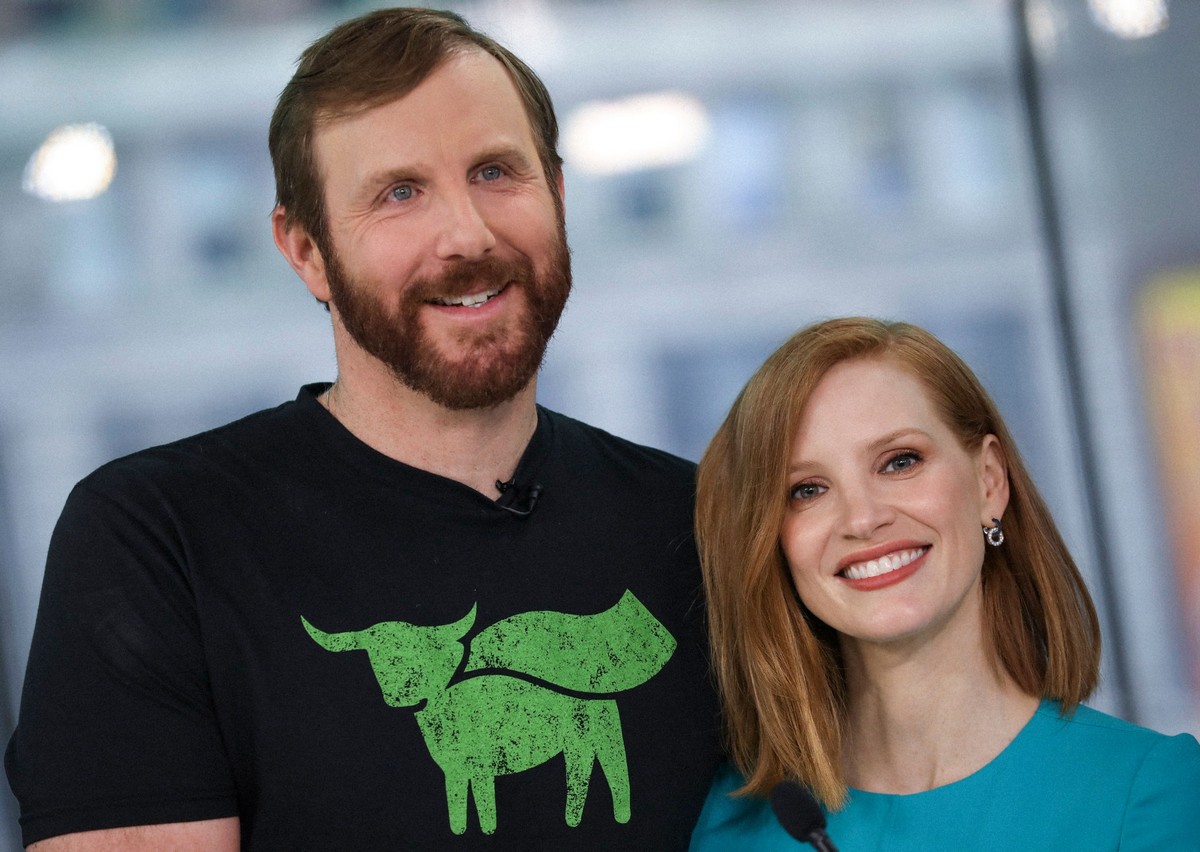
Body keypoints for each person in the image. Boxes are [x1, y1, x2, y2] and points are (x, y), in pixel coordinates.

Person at [5, 8, 720, 850]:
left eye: (496, 171)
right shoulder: (161, 539)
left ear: (557, 196)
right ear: (305, 250)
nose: (468, 234)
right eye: (400, 193)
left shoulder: (703, 521)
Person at [688, 317, 1200, 850]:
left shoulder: (1149, 793)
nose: (862, 519)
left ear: (989, 482)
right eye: (807, 490)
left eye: (900, 462)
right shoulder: (719, 827)